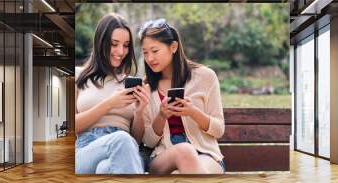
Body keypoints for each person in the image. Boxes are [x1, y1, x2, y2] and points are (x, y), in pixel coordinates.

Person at [139, 18, 225, 174]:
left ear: (173, 47)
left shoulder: (205, 77)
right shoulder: (146, 87)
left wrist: (193, 112)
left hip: (205, 154)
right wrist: (161, 115)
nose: (149, 58)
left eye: (155, 51)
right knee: (184, 151)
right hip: (163, 156)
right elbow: (147, 142)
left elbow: (218, 129)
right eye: (145, 53)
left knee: (180, 175)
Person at [75, 13, 150, 174]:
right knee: (122, 140)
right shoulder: (78, 76)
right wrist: (110, 104)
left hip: (124, 150)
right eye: (114, 44)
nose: (121, 51)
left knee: (105, 169)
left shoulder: (129, 83)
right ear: (100, 42)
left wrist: (140, 111)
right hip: (85, 148)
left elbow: (135, 140)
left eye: (126, 45)